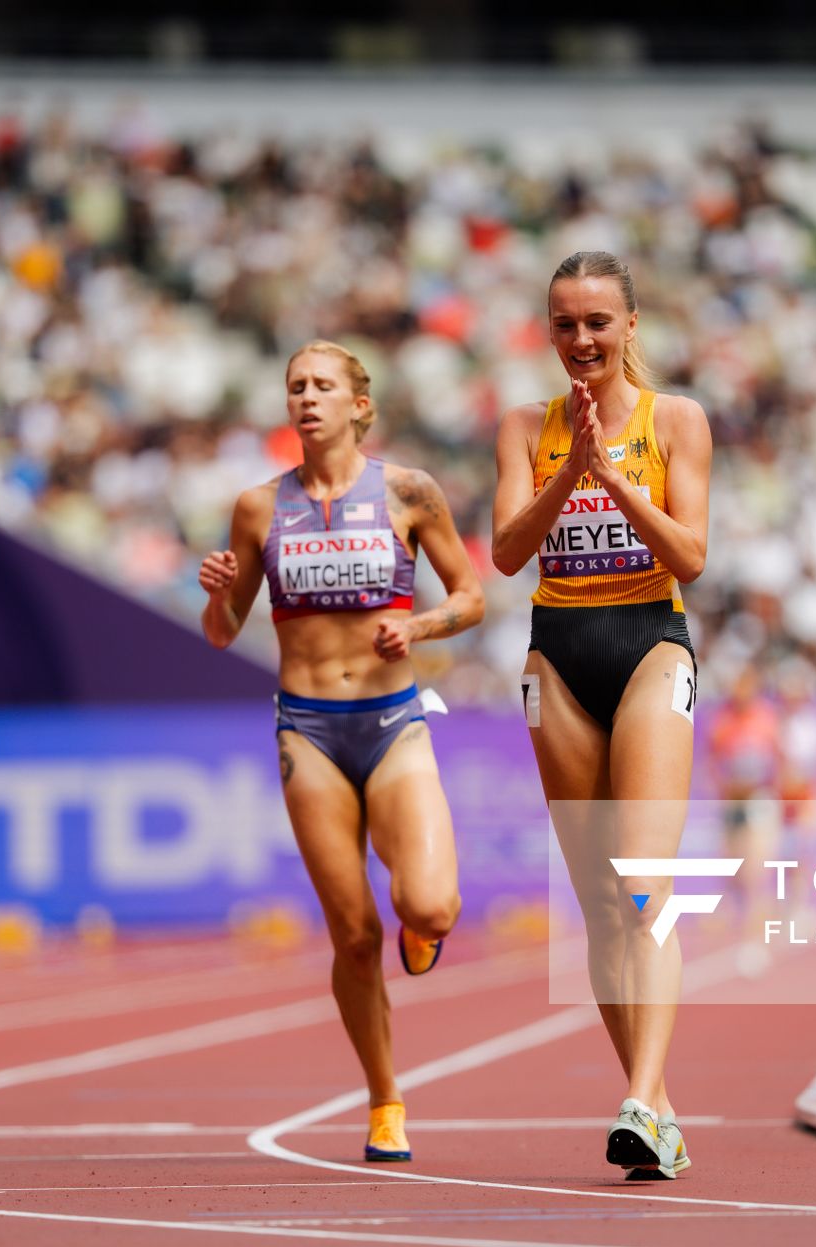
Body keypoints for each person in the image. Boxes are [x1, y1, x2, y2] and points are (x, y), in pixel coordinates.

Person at [199, 340, 484, 1163]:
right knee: (354, 936)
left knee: (429, 907)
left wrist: (419, 625)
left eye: (324, 386)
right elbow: (222, 635)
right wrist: (219, 597)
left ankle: (423, 931)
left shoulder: (408, 491)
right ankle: (385, 1099)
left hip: (392, 719)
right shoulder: (259, 508)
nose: (307, 398)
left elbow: (468, 597)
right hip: (308, 732)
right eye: (295, 387)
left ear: (361, 405)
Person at [492, 250, 712, 1179]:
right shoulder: (523, 426)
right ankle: (654, 1107)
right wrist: (568, 468)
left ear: (629, 327)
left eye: (597, 324)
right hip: (559, 653)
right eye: (565, 324)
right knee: (601, 911)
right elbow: (506, 552)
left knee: (644, 891)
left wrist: (614, 478)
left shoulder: (678, 420)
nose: (580, 340)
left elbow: (692, 556)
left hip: (650, 644)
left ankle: (638, 1099)